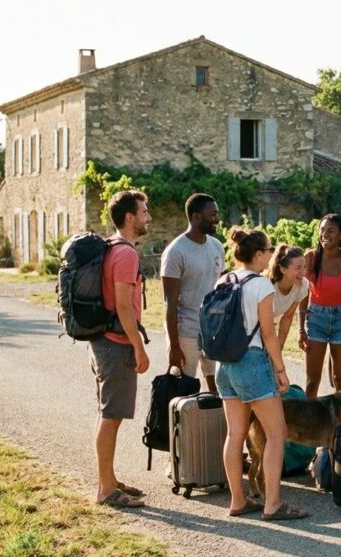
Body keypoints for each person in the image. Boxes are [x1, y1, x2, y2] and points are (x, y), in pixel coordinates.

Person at [216, 228, 308, 521]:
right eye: (268, 251)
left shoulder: (225, 279)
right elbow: (268, 334)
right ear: (258, 255)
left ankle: (238, 501)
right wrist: (280, 370)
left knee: (235, 434)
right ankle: (273, 505)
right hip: (252, 363)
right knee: (276, 433)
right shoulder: (262, 287)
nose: (271, 255)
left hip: (224, 365)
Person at [91, 189, 151, 508]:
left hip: (105, 340)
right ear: (130, 217)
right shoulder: (126, 253)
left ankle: (110, 481)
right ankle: (105, 489)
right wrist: (138, 348)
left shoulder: (111, 247)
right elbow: (125, 307)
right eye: (143, 212)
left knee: (109, 414)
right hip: (117, 344)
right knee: (111, 416)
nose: (148, 217)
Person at [160, 193, 224, 392]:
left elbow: (220, 288)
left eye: (217, 214)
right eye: (212, 214)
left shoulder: (217, 247)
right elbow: (169, 304)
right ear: (196, 217)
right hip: (186, 331)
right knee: (185, 390)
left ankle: (216, 423)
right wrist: (174, 346)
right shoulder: (175, 252)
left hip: (213, 330)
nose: (217, 219)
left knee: (218, 388)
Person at [299, 214, 341, 398]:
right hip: (316, 318)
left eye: (331, 231)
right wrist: (301, 328)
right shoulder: (310, 258)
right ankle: (310, 426)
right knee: (312, 382)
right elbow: (303, 295)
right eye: (322, 230)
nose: (325, 234)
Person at [267, 244, 309, 352]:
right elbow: (264, 324)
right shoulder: (267, 288)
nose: (303, 272)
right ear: (283, 270)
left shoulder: (302, 286)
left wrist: (279, 349)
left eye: (304, 267)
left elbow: (288, 317)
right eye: (298, 267)